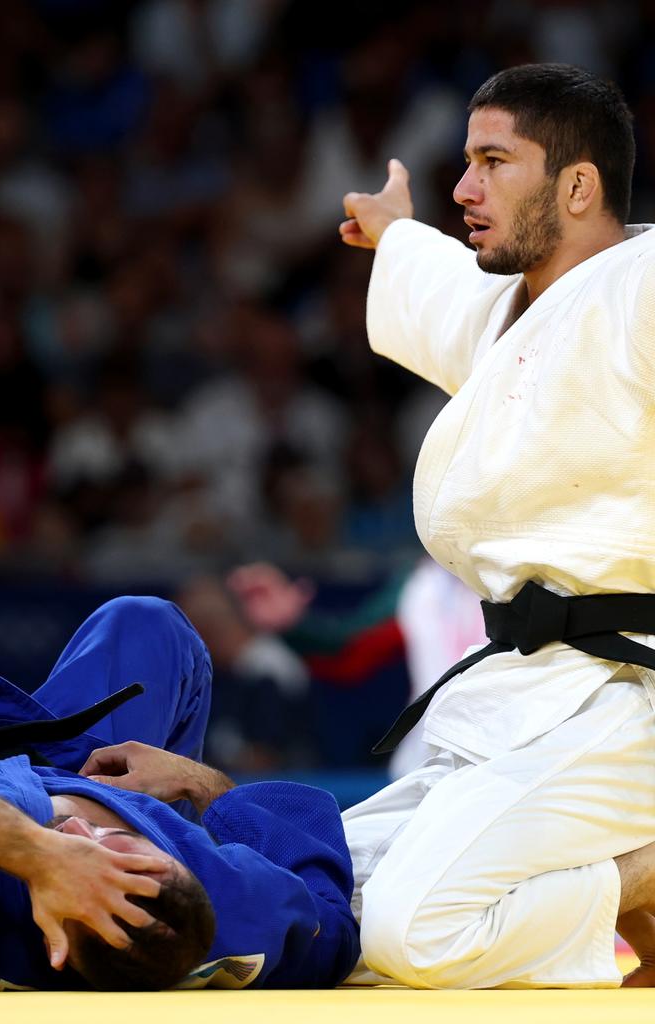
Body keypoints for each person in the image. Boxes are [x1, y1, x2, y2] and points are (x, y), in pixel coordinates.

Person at [336, 62, 655, 989]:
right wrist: (397, 233)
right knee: (329, 904)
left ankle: (638, 876)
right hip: (518, 700)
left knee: (413, 932)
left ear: (578, 186)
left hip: (628, 698)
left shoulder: (641, 285)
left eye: (491, 162)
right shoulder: (506, 309)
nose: (464, 188)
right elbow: (437, 281)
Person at [0, 595, 359, 991]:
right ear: (177, 865)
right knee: (148, 623)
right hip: (84, 768)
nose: (74, 828)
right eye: (112, 843)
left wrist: (36, 854)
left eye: (74, 853)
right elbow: (334, 931)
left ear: (56, 940)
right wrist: (199, 781)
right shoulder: (232, 902)